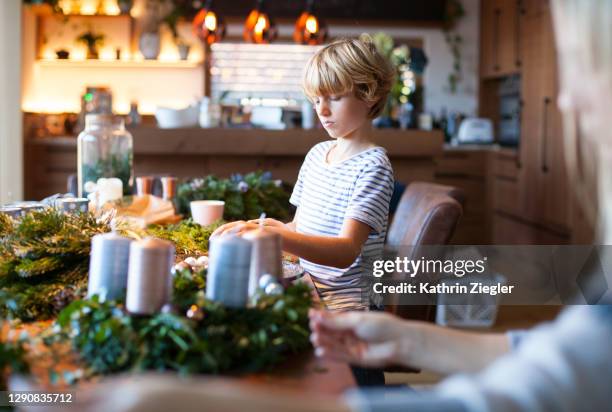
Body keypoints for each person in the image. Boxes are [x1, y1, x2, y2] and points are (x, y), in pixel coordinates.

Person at [308, 0, 612, 410]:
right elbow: (577, 351)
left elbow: (546, 387)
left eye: (581, 61)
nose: (564, 101)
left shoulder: (371, 162)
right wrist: (408, 339)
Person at [212, 35, 396, 312]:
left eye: (334, 98)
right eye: (316, 99)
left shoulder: (373, 167)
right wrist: (266, 228)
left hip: (342, 305)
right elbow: (301, 228)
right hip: (307, 284)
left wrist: (276, 237)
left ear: (370, 94)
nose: (322, 110)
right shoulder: (317, 155)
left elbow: (346, 251)